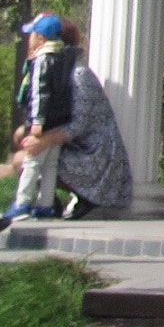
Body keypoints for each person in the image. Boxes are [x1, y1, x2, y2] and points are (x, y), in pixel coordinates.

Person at [2, 16, 131, 225]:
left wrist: (42, 141)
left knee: (24, 158)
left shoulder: (78, 75)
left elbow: (77, 126)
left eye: (35, 36)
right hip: (77, 149)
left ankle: (65, 199)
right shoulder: (59, 71)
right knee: (27, 146)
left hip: (96, 160)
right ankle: (47, 203)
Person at [4, 14, 72, 225]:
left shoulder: (42, 60)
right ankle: (45, 205)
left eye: (32, 34)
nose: (29, 39)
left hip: (43, 122)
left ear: (41, 38)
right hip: (59, 121)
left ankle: (22, 203)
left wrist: (36, 122)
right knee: (50, 164)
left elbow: (40, 93)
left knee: (32, 161)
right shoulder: (62, 58)